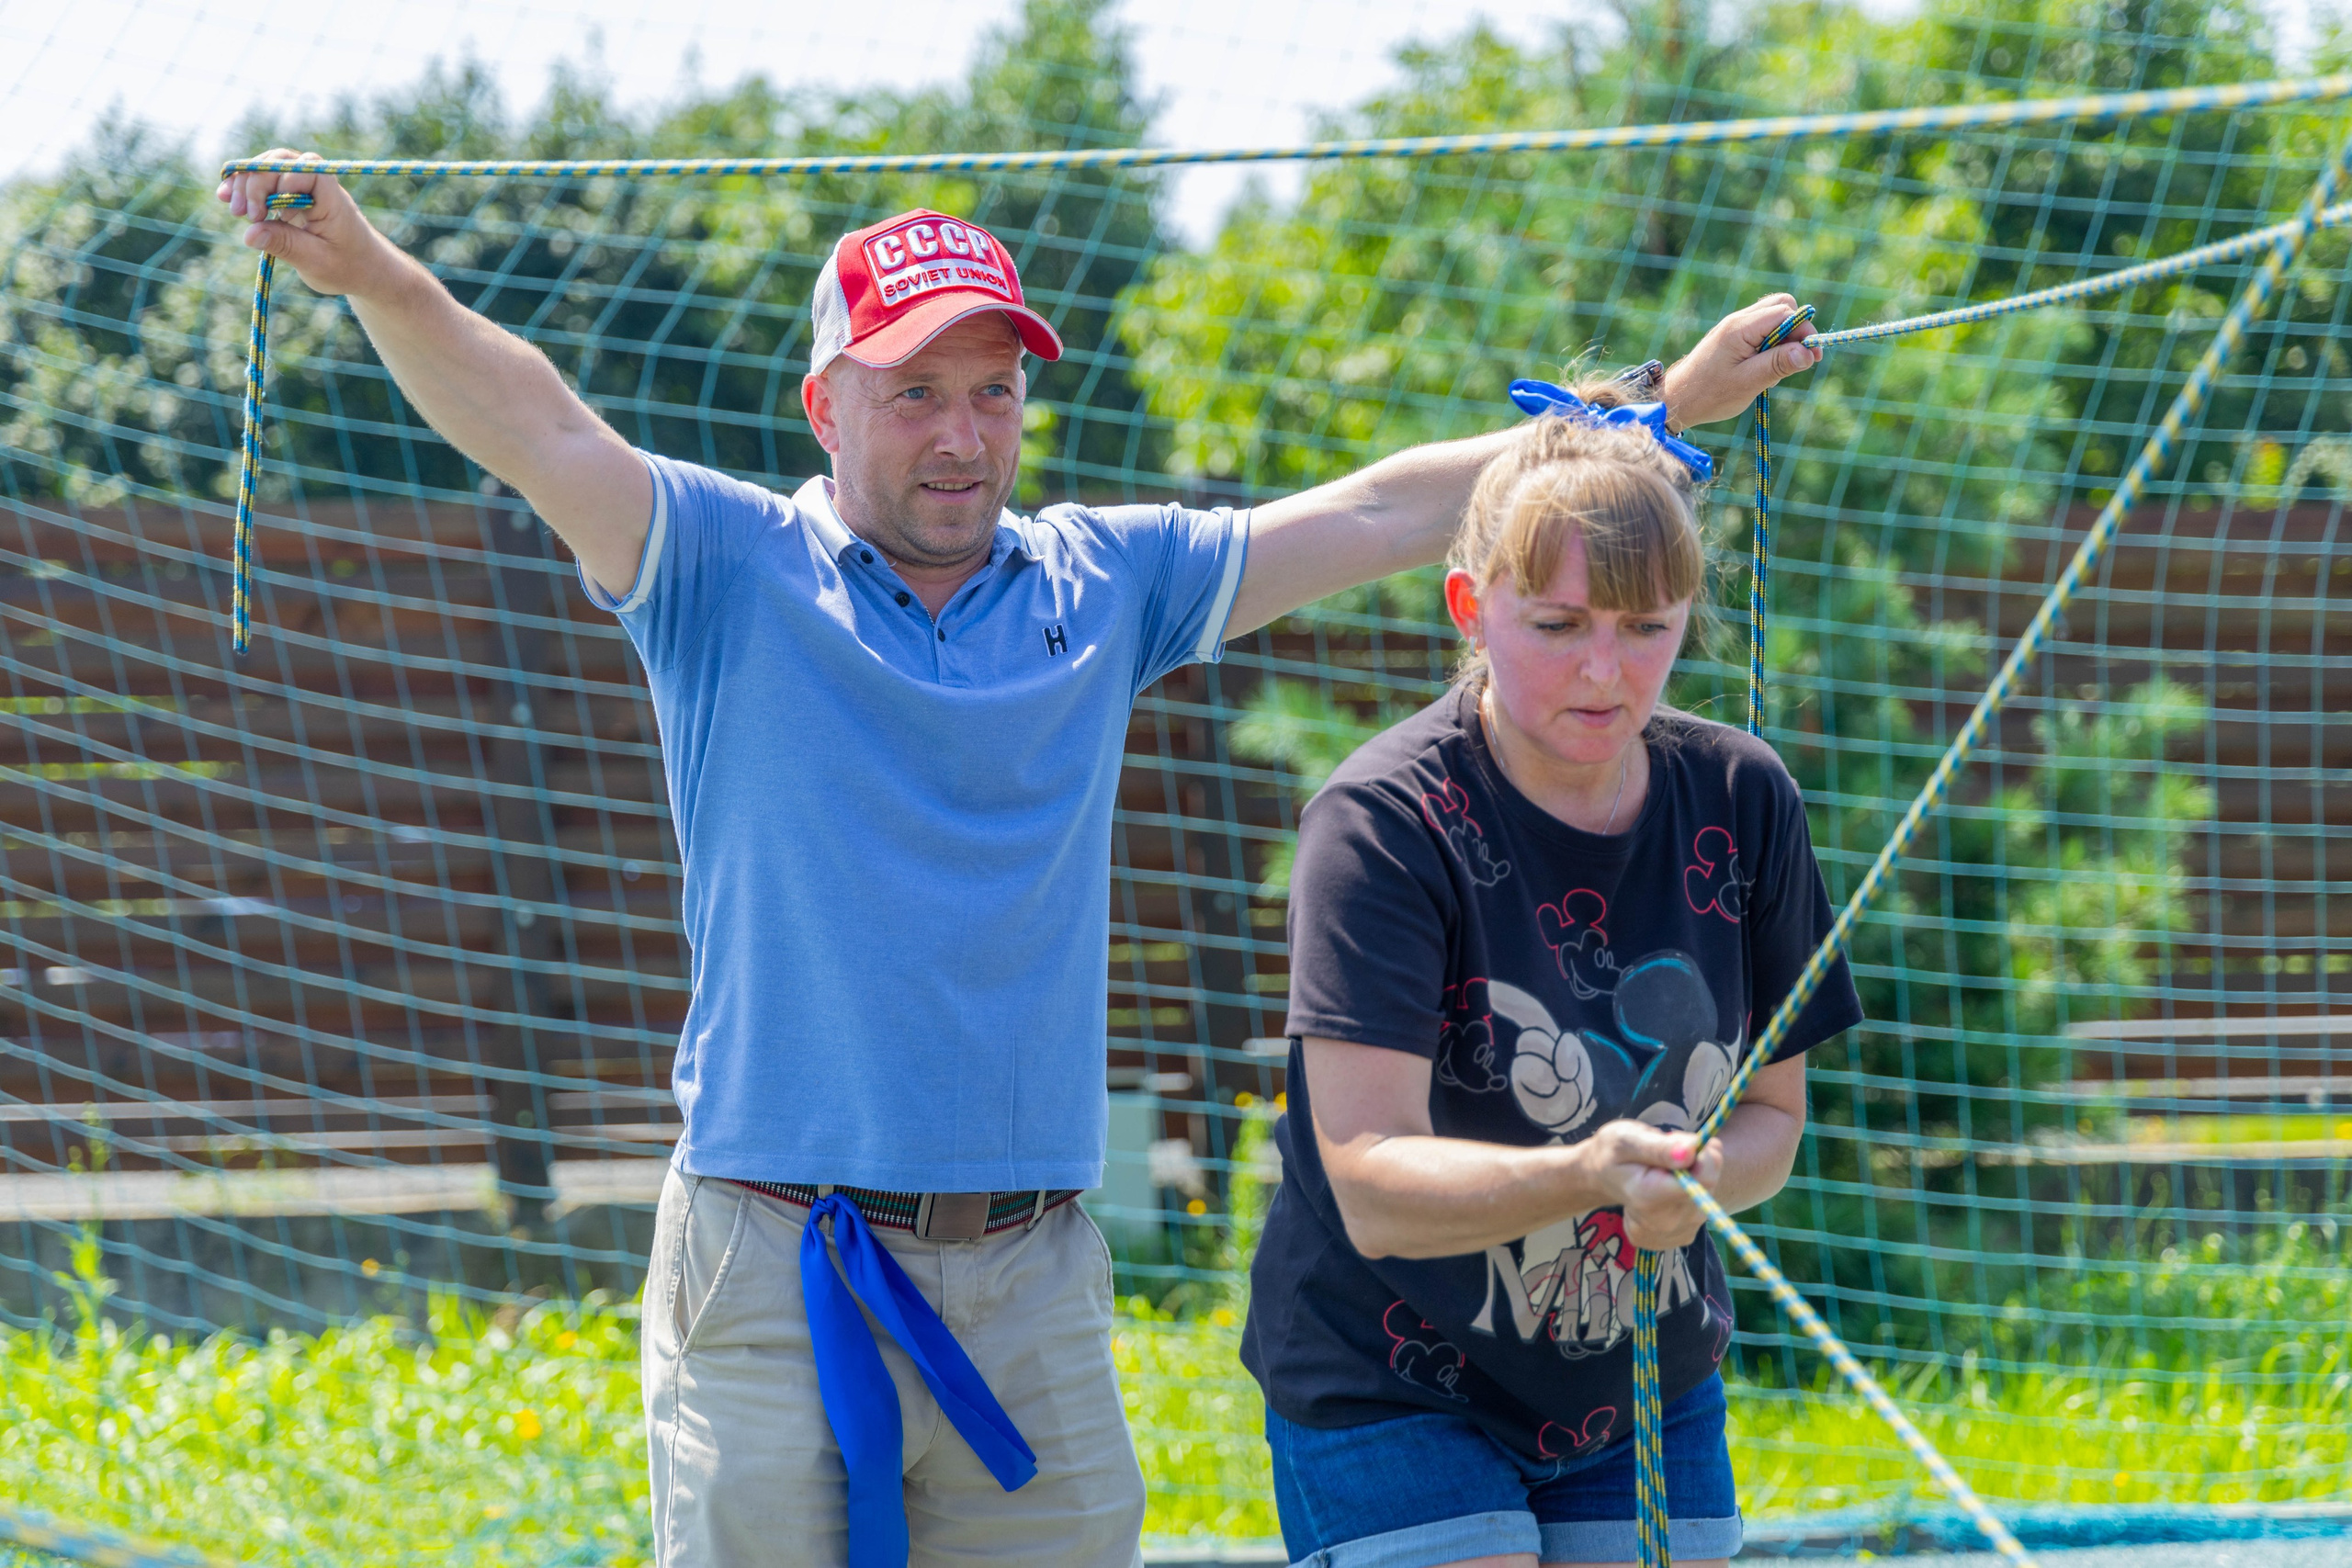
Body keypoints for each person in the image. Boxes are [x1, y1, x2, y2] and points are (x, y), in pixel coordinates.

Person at [218, 152, 1821, 1568]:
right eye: (913, 389)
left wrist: (1652, 417)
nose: (961, 432)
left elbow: (1377, 514)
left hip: (1033, 1270)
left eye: (995, 389)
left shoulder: (1099, 584)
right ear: (825, 405)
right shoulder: (717, 567)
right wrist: (370, 270)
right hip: (778, 1262)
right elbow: (534, 419)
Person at [1242, 395, 1865, 1568]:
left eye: (1645, 626)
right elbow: (1368, 1179)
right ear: (1469, 610)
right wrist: (1586, 1174)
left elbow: (1775, 1119)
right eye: (1558, 623)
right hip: (1390, 1372)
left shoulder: (1743, 796)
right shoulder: (1380, 824)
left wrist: (1706, 1179)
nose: (1603, 669)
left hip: (1640, 1367)